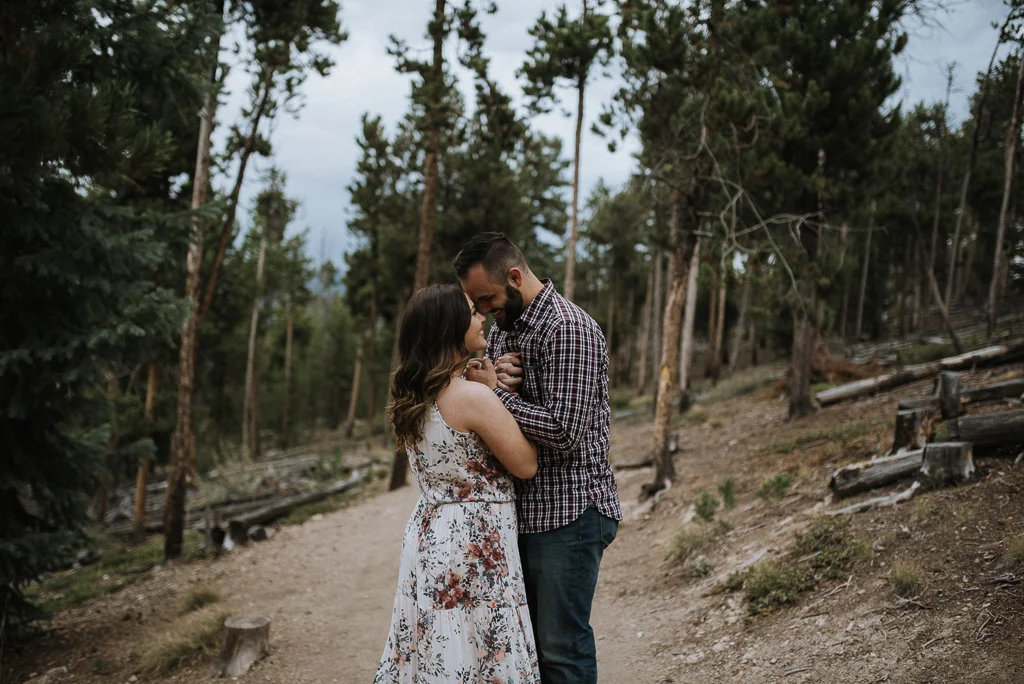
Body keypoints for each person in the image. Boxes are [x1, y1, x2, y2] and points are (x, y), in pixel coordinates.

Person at [454, 233, 622, 684]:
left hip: (570, 511)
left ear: (514, 276)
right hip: (523, 513)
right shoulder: (505, 328)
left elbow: (565, 433)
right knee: (528, 651)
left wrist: (496, 395)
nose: (484, 310)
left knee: (561, 650)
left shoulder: (568, 328)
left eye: (486, 298)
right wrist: (490, 383)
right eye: (476, 302)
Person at [373, 284, 542, 684]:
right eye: (472, 313)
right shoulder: (472, 398)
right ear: (450, 327)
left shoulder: (416, 394)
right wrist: (497, 392)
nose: (482, 317)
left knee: (440, 645)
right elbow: (526, 465)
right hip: (475, 541)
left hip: (429, 534)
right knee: (482, 647)